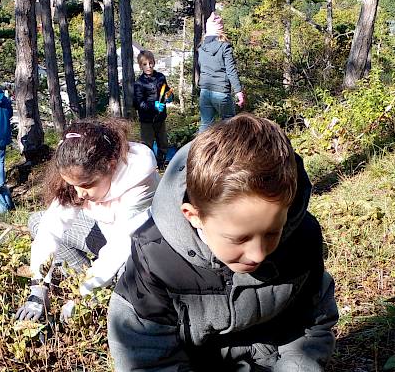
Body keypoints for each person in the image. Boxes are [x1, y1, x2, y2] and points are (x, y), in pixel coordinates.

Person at [108, 114, 338, 371]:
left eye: (273, 232)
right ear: (194, 216)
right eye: (239, 238)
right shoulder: (156, 258)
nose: (258, 254)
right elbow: (145, 355)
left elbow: (308, 326)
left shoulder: (302, 237)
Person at [15, 119, 160, 322]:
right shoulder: (77, 173)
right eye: (73, 185)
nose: (80, 194)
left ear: (110, 165)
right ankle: (91, 278)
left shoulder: (140, 177)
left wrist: (81, 294)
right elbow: (51, 226)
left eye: (86, 185)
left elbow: (122, 246)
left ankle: (103, 288)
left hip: (141, 247)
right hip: (106, 237)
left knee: (127, 275)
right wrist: (39, 285)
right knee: (38, 221)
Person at [197, 12, 245, 133]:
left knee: (205, 126)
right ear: (220, 30)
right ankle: (229, 151)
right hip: (221, 92)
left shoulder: (201, 48)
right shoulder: (225, 47)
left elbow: (201, 67)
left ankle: (198, 150)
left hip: (204, 92)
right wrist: (238, 91)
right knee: (230, 126)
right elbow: (231, 70)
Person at [134, 50, 172, 169]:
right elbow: (138, 104)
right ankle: (149, 167)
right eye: (145, 64)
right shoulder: (139, 83)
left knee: (163, 143)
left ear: (154, 63)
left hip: (160, 117)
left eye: (150, 63)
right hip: (146, 120)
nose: (148, 66)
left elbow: (167, 90)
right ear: (141, 66)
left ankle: (161, 164)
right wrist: (153, 105)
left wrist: (170, 96)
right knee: (147, 145)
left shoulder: (160, 77)